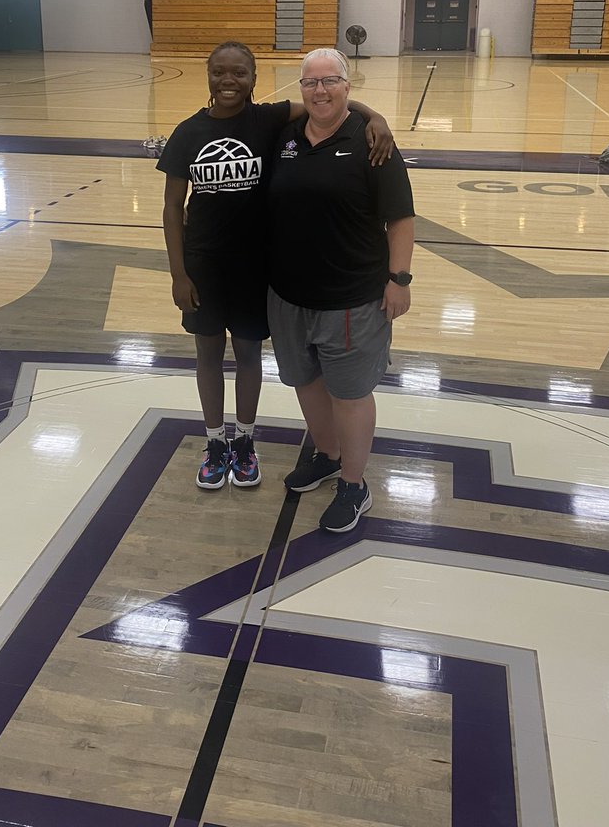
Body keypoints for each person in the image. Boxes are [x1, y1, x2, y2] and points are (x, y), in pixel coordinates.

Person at [157, 41, 394, 492]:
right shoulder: (187, 132)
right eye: (219, 72)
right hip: (203, 268)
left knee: (248, 356)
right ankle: (214, 443)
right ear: (207, 76)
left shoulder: (266, 119)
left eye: (239, 73)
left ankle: (244, 442)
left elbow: (327, 98)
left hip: (255, 267)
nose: (229, 81)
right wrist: (178, 273)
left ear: (254, 79)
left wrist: (374, 117)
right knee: (207, 355)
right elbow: (172, 208)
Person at [266, 47, 415, 532]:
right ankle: (327, 455)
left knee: (350, 394)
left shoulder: (372, 142)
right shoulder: (285, 137)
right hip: (288, 297)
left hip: (352, 299)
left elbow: (401, 218)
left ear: (348, 87)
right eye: (310, 82)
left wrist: (399, 280)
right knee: (305, 381)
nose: (320, 91)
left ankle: (354, 482)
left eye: (330, 81)